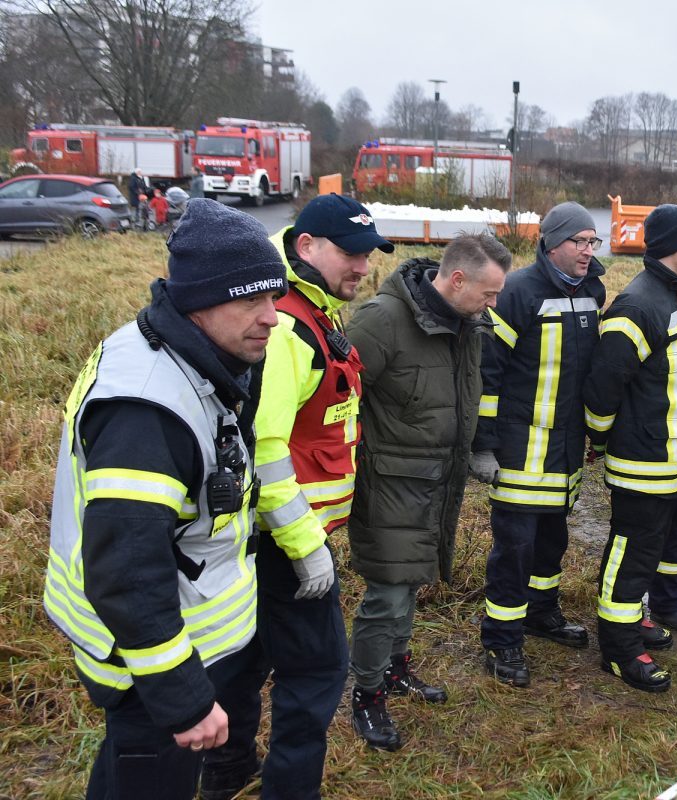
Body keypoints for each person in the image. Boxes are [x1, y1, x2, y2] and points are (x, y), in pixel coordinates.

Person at [44, 199, 285, 799]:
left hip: (182, 645)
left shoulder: (183, 352)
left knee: (133, 773)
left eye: (274, 297)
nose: (272, 317)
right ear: (199, 300)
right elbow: (126, 572)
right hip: (150, 667)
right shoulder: (147, 411)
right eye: (251, 299)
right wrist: (182, 700)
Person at [201, 194, 395, 797]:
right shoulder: (286, 325)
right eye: (352, 254)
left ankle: (227, 773)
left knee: (243, 660)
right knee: (316, 672)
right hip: (286, 538)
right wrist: (306, 544)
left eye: (368, 254)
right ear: (306, 247)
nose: (363, 267)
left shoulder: (307, 308)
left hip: (268, 538)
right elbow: (265, 448)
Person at [344, 234, 510, 746]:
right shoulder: (381, 321)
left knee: (412, 581)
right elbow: (333, 397)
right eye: (488, 293)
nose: (494, 304)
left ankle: (395, 669)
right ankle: (366, 694)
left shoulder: (466, 325)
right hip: (389, 486)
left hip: (439, 483)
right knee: (387, 594)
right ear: (456, 279)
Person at [470, 203, 605, 688]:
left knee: (553, 541)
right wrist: (483, 446)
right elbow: (488, 373)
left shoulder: (593, 292)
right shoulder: (517, 292)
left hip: (566, 450)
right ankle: (501, 639)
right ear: (552, 243)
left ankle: (541, 611)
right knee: (515, 548)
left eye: (594, 242)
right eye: (580, 242)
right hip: (520, 449)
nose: (589, 251)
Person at [583, 204, 677, 691]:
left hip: (671, 461)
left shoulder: (672, 294)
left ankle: (632, 619)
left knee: (648, 551)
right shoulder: (639, 304)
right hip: (643, 464)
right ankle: (619, 652)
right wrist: (603, 436)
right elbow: (603, 388)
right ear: (673, 245)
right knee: (631, 553)